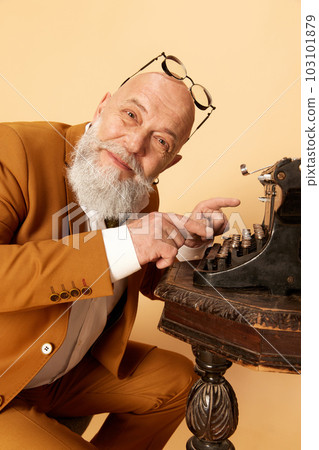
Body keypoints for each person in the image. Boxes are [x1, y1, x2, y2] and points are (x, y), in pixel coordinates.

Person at [0, 62, 239, 449]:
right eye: (130, 115)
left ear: (170, 161)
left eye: (160, 141)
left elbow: (146, 279)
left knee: (180, 382)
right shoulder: (12, 148)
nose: (133, 145)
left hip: (64, 375)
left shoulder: (140, 192)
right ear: (102, 107)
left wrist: (190, 245)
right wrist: (126, 244)